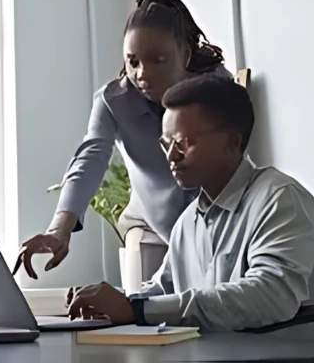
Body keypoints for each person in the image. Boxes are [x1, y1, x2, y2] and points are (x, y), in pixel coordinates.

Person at [67, 75, 314, 331]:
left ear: (232, 142)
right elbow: (164, 291)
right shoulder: (188, 221)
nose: (172, 156)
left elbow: (271, 296)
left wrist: (137, 310)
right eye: (166, 144)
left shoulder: (279, 199)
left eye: (184, 143)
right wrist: (111, 303)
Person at [13, 0, 229, 280]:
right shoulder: (113, 101)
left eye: (158, 59)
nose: (142, 74)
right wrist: (59, 229)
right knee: (145, 312)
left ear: (185, 55)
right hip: (152, 228)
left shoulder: (217, 88)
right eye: (133, 61)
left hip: (216, 227)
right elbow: (89, 160)